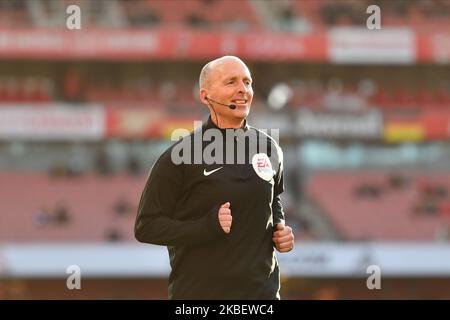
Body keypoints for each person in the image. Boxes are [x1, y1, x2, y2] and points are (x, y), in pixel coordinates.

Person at [134, 56, 294, 299]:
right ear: (205, 96)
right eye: (231, 82)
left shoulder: (269, 147)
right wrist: (206, 227)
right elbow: (146, 226)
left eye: (247, 82)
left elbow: (273, 200)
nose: (243, 89)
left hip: (262, 296)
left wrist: (279, 229)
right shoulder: (181, 155)